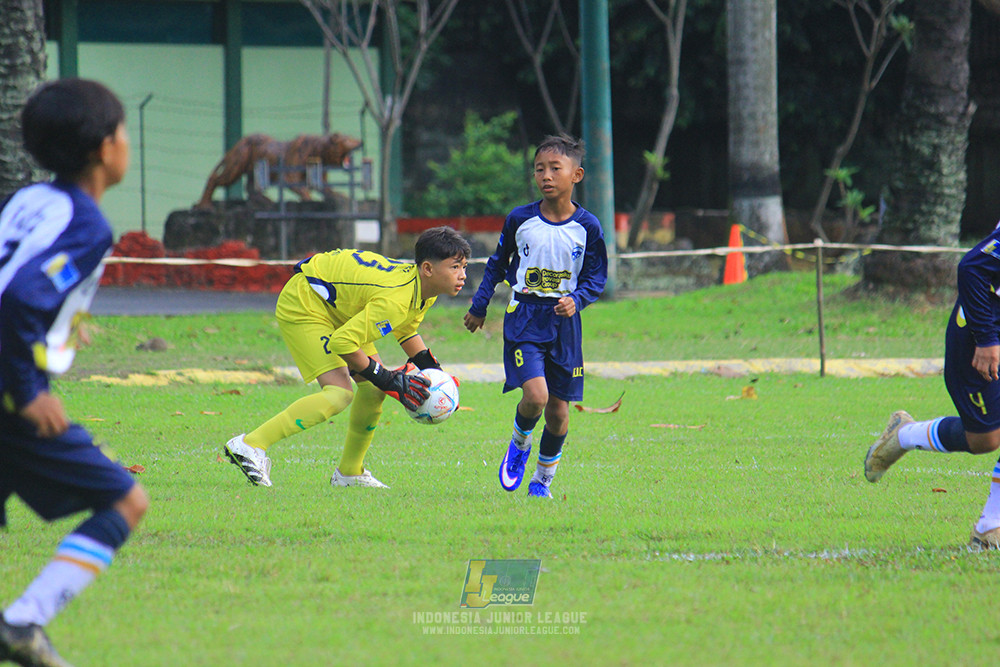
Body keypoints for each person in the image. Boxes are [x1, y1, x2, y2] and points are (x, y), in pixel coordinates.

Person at [0, 79, 149, 667]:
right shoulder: (87, 224)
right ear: (104, 148)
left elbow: (19, 285)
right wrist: (28, 389)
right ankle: (22, 623)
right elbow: (18, 302)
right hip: (9, 393)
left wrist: (61, 321)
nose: (126, 143)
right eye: (123, 131)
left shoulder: (27, 199)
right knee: (126, 500)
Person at [224, 226, 470, 489]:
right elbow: (342, 342)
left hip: (341, 307)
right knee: (338, 394)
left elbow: (406, 329)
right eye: (455, 267)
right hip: (307, 301)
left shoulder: (421, 289)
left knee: (373, 391)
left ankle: (350, 473)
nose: (463, 275)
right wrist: (388, 379)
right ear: (428, 269)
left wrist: (436, 373)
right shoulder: (395, 298)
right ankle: (250, 444)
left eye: (464, 266)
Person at [463, 134, 608, 499]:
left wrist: (578, 298)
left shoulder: (587, 226)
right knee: (537, 397)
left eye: (554, 168)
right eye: (539, 168)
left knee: (559, 412)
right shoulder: (520, 219)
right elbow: (497, 265)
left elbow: (596, 277)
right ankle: (518, 443)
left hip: (564, 324)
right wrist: (480, 305)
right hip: (525, 317)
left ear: (576, 175)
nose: (545, 175)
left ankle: (542, 480)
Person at [865, 223, 1000, 549]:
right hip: (980, 336)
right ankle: (903, 435)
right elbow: (970, 268)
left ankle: (989, 528)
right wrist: (986, 339)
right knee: (984, 439)